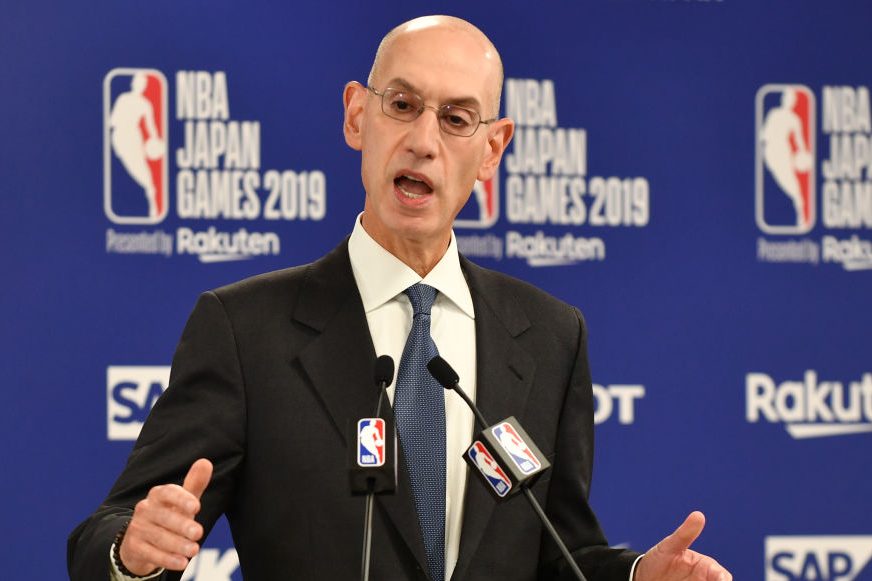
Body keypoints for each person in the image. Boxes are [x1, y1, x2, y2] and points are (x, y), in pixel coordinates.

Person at [69, 15, 732, 581]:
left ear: (492, 148)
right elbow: (105, 530)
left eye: (456, 118)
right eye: (403, 105)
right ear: (359, 115)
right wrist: (133, 551)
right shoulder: (247, 332)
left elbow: (563, 551)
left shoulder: (552, 335)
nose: (423, 141)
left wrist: (637, 574)